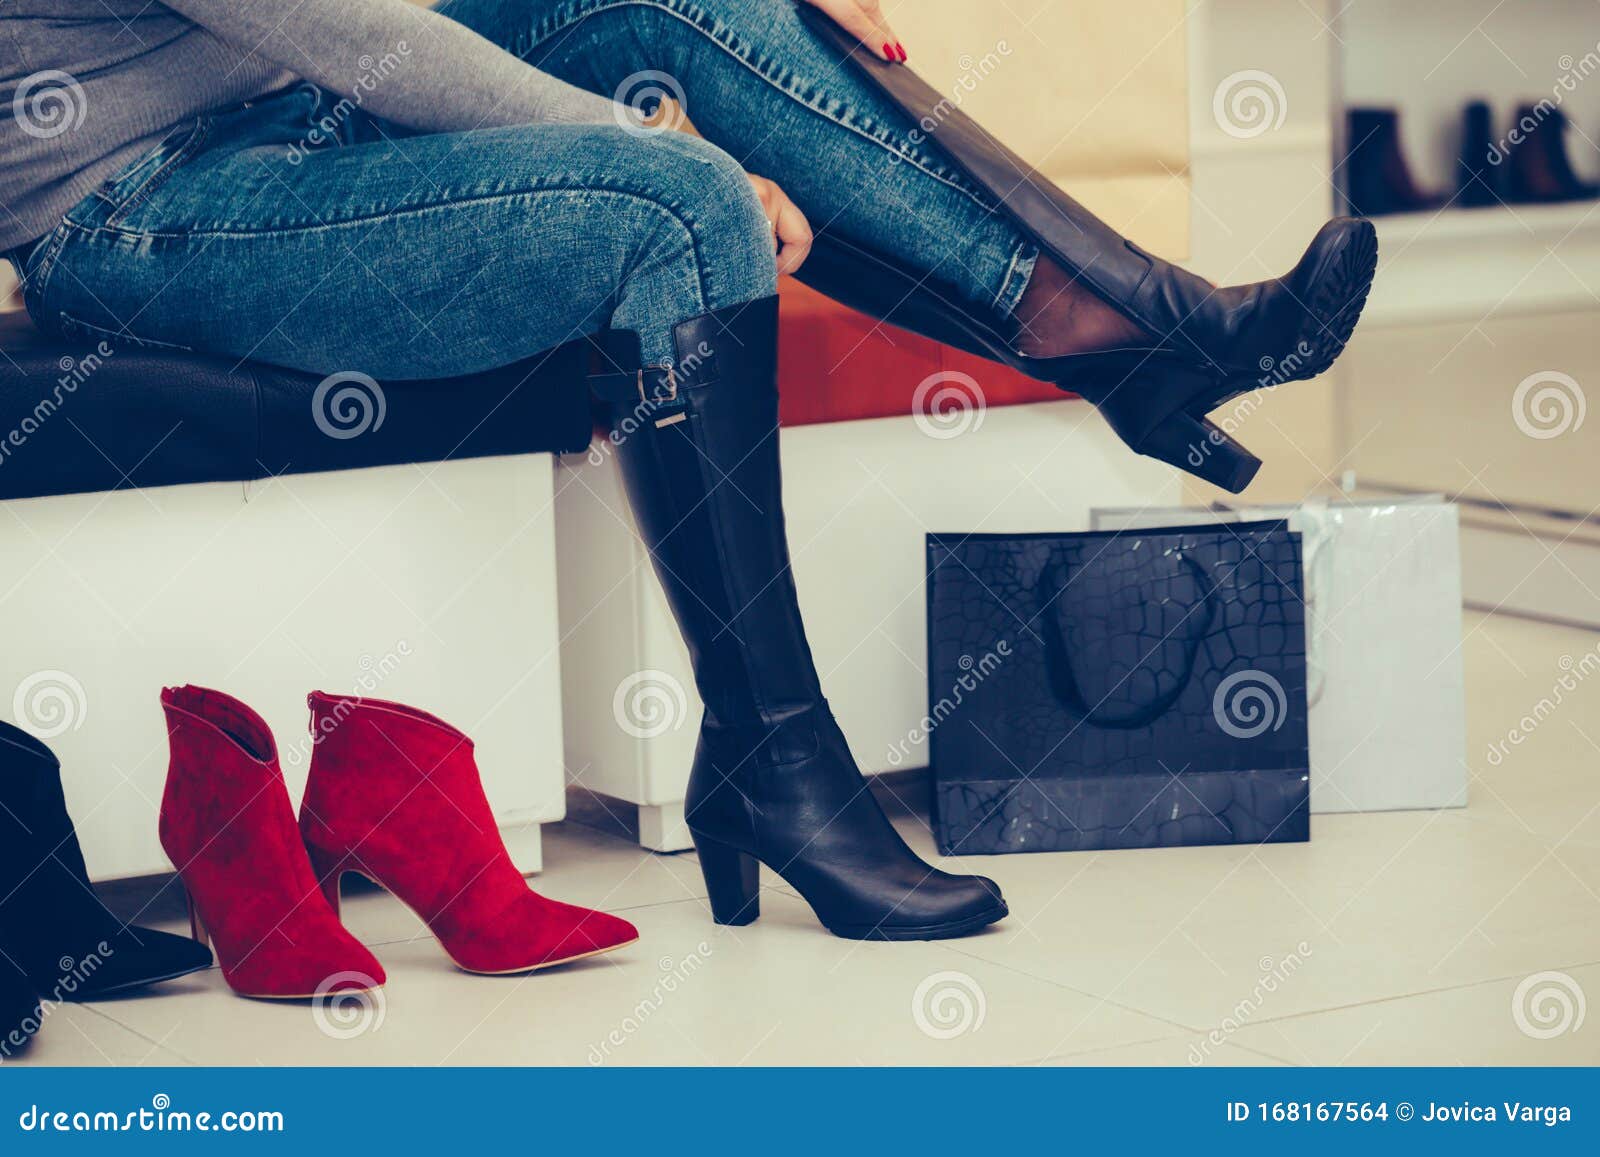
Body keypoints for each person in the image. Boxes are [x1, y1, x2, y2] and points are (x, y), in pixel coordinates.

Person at [2, 0, 1374, 940]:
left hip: (279, 111)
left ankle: (1139, 327)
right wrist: (658, 147)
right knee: (680, 206)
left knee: (696, 4)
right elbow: (349, 29)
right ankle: (772, 753)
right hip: (144, 204)